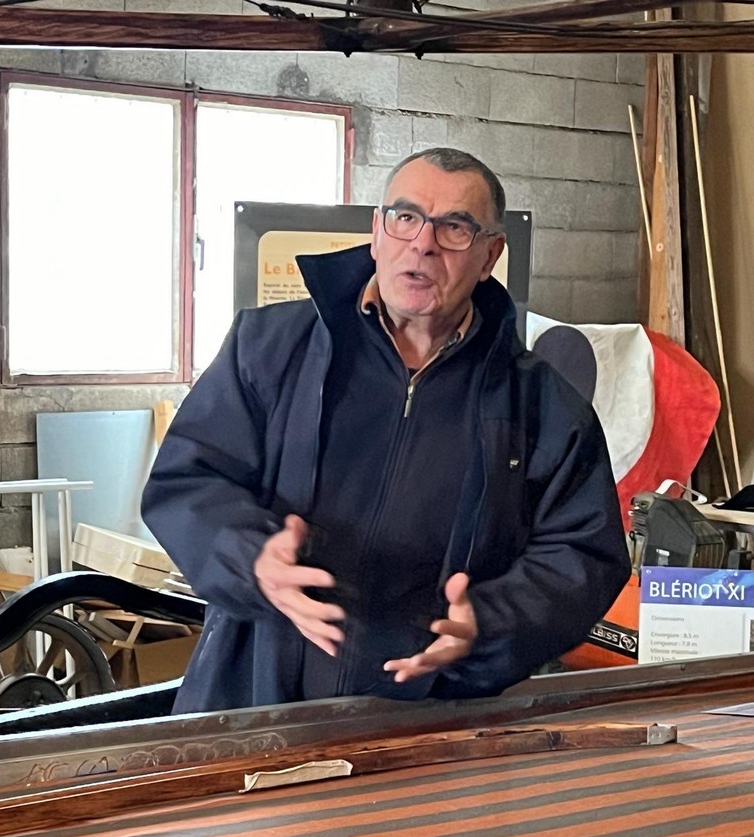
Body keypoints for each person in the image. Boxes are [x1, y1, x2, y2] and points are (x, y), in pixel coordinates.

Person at [142, 147, 631, 714]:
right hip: (252, 697)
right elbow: (188, 480)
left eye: (455, 227)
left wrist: (490, 622)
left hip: (432, 716)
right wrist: (251, 557)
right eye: (405, 217)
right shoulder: (269, 349)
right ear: (377, 232)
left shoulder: (542, 406)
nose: (423, 244)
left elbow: (582, 555)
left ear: (490, 255)